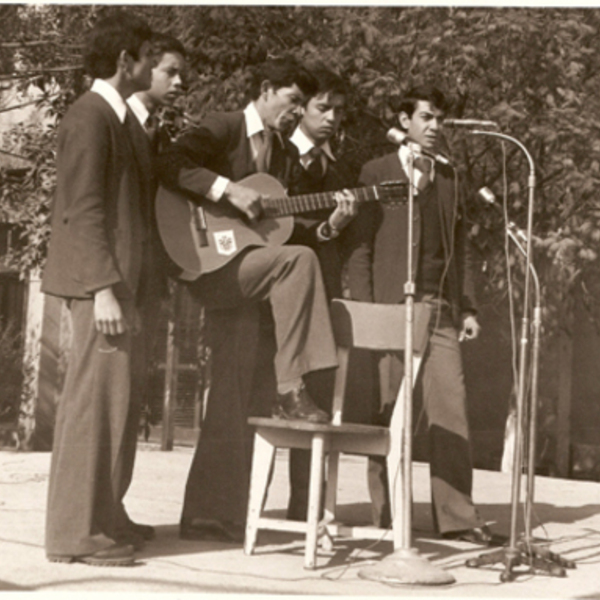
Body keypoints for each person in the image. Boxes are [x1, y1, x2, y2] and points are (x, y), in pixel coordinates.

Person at [156, 56, 339, 543]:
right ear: (264, 88)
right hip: (206, 263)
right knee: (299, 262)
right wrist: (225, 189)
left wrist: (327, 224)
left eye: (303, 105)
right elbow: (168, 162)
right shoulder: (224, 126)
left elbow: (275, 223)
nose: (297, 113)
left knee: (236, 396)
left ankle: (212, 516)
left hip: (247, 277)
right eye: (293, 101)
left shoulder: (279, 151)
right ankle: (293, 386)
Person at [346, 85, 505, 546]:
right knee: (390, 409)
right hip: (389, 307)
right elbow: (361, 246)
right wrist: (367, 307)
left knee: (450, 410)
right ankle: (387, 516)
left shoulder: (450, 177)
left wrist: (468, 306)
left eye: (440, 120)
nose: (435, 127)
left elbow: (461, 252)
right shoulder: (376, 170)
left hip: (438, 310)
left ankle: (457, 517)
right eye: (427, 118)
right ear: (405, 120)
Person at [42, 13, 156, 566]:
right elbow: (84, 210)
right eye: (148, 58)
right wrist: (105, 288)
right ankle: (74, 536)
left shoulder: (116, 117)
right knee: (90, 408)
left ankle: (101, 521)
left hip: (113, 285)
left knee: (110, 408)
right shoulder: (90, 118)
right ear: (124, 61)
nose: (154, 67)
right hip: (99, 288)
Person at [285, 65, 358, 521]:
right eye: (322, 107)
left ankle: (305, 505)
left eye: (338, 110)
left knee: (315, 397)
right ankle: (230, 513)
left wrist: (336, 226)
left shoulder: (343, 168)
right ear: (301, 108)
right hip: (272, 290)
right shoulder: (275, 156)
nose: (331, 117)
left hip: (323, 288)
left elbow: (346, 241)